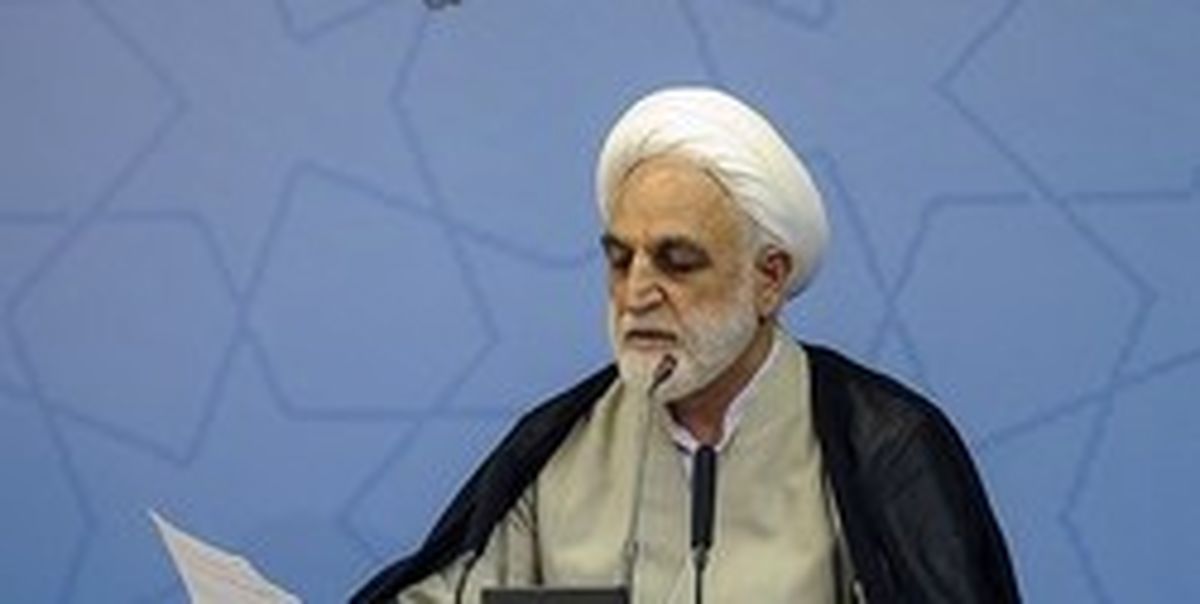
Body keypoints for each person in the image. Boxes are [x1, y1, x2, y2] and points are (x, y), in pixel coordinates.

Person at [351, 87, 1020, 603]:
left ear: (768, 279)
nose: (637, 293)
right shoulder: (559, 449)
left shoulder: (881, 445)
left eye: (677, 261)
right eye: (621, 260)